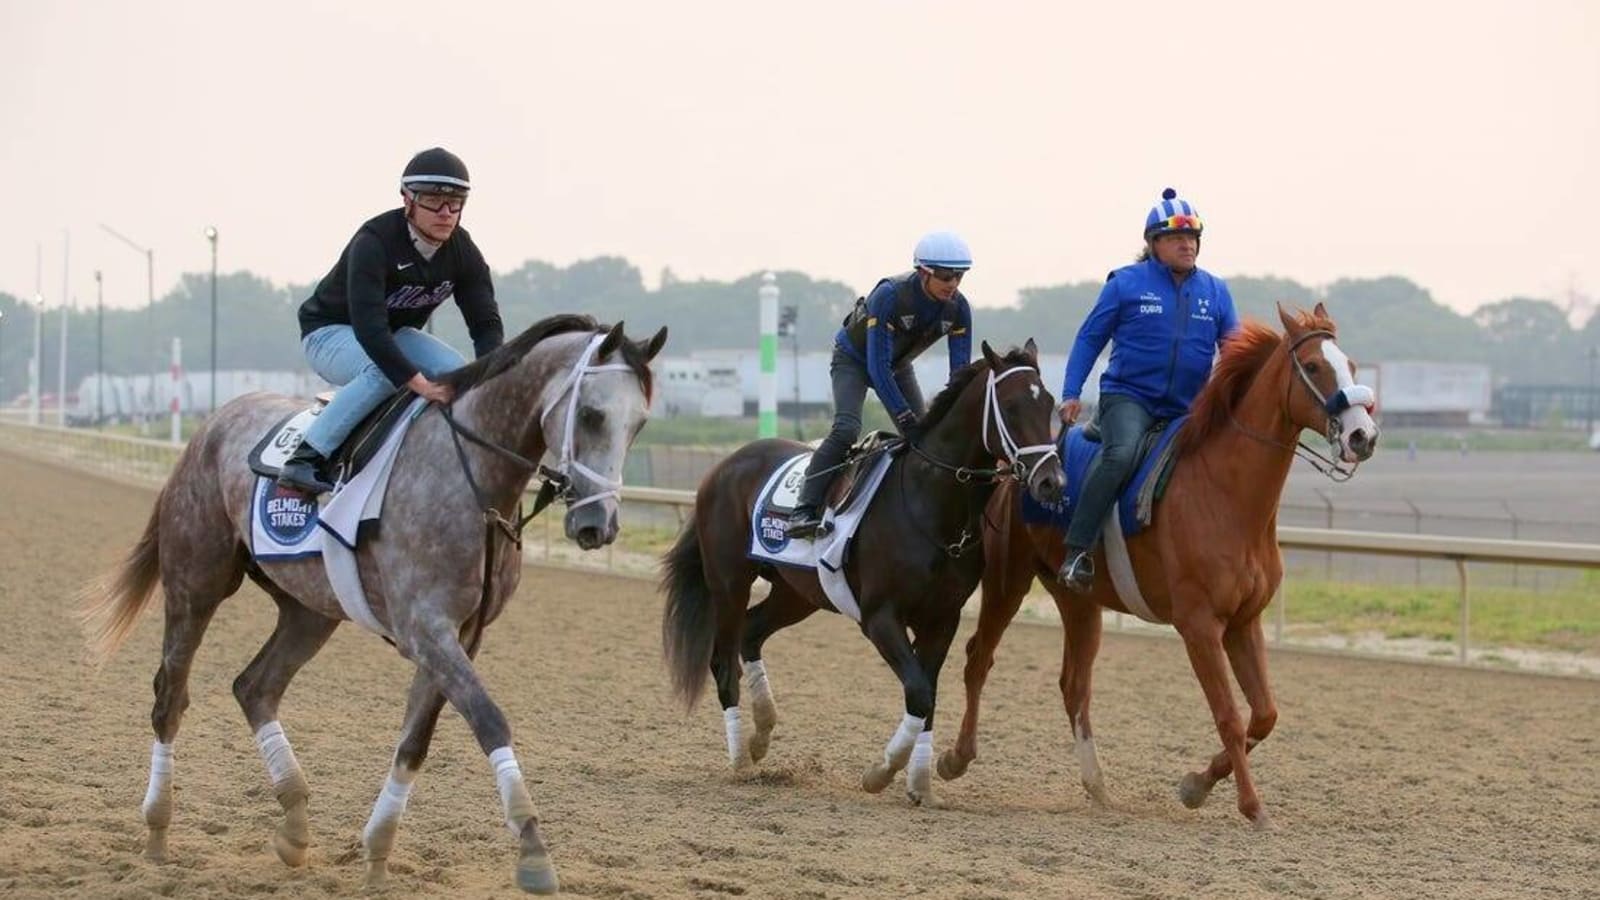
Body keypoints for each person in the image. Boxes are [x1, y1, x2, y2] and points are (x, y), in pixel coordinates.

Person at [277, 147, 504, 494]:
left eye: (455, 202)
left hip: (392, 334)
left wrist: (491, 380)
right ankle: (306, 458)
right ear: (407, 200)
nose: (445, 212)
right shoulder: (374, 241)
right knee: (386, 373)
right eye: (432, 200)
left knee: (455, 370)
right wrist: (418, 383)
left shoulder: (463, 250)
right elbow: (369, 329)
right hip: (329, 332)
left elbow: (485, 324)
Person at [1055, 188, 1239, 591]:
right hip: (1129, 398)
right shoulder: (1125, 284)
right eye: (1176, 237)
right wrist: (1071, 392)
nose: (1187, 244)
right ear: (1154, 243)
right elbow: (1089, 338)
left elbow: (1235, 352)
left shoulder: (1216, 290)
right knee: (1120, 456)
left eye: (1193, 237)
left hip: (1188, 405)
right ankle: (1077, 552)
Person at [786, 231, 974, 539]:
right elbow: (877, 367)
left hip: (898, 366)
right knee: (847, 428)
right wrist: (904, 418)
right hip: (855, 360)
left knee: (926, 440)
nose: (952, 283)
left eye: (960, 276)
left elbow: (960, 376)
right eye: (945, 275)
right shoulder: (890, 295)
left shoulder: (958, 309)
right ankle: (803, 508)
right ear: (923, 272)